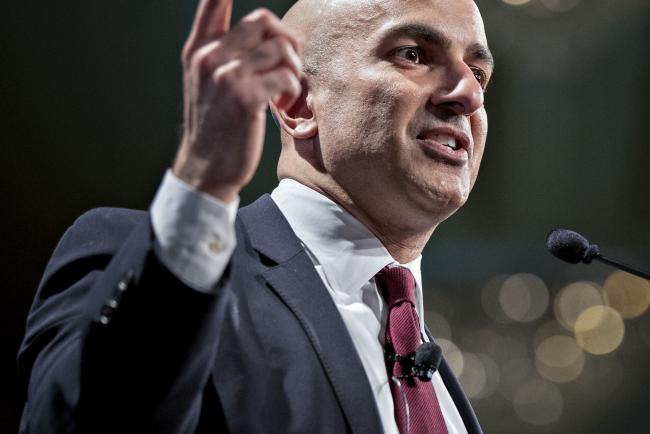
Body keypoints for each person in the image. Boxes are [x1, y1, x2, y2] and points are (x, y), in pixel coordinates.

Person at [18, 0, 494, 432]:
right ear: (298, 102)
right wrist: (202, 184)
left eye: (478, 73)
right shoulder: (157, 266)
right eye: (412, 54)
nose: (468, 95)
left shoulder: (435, 369)